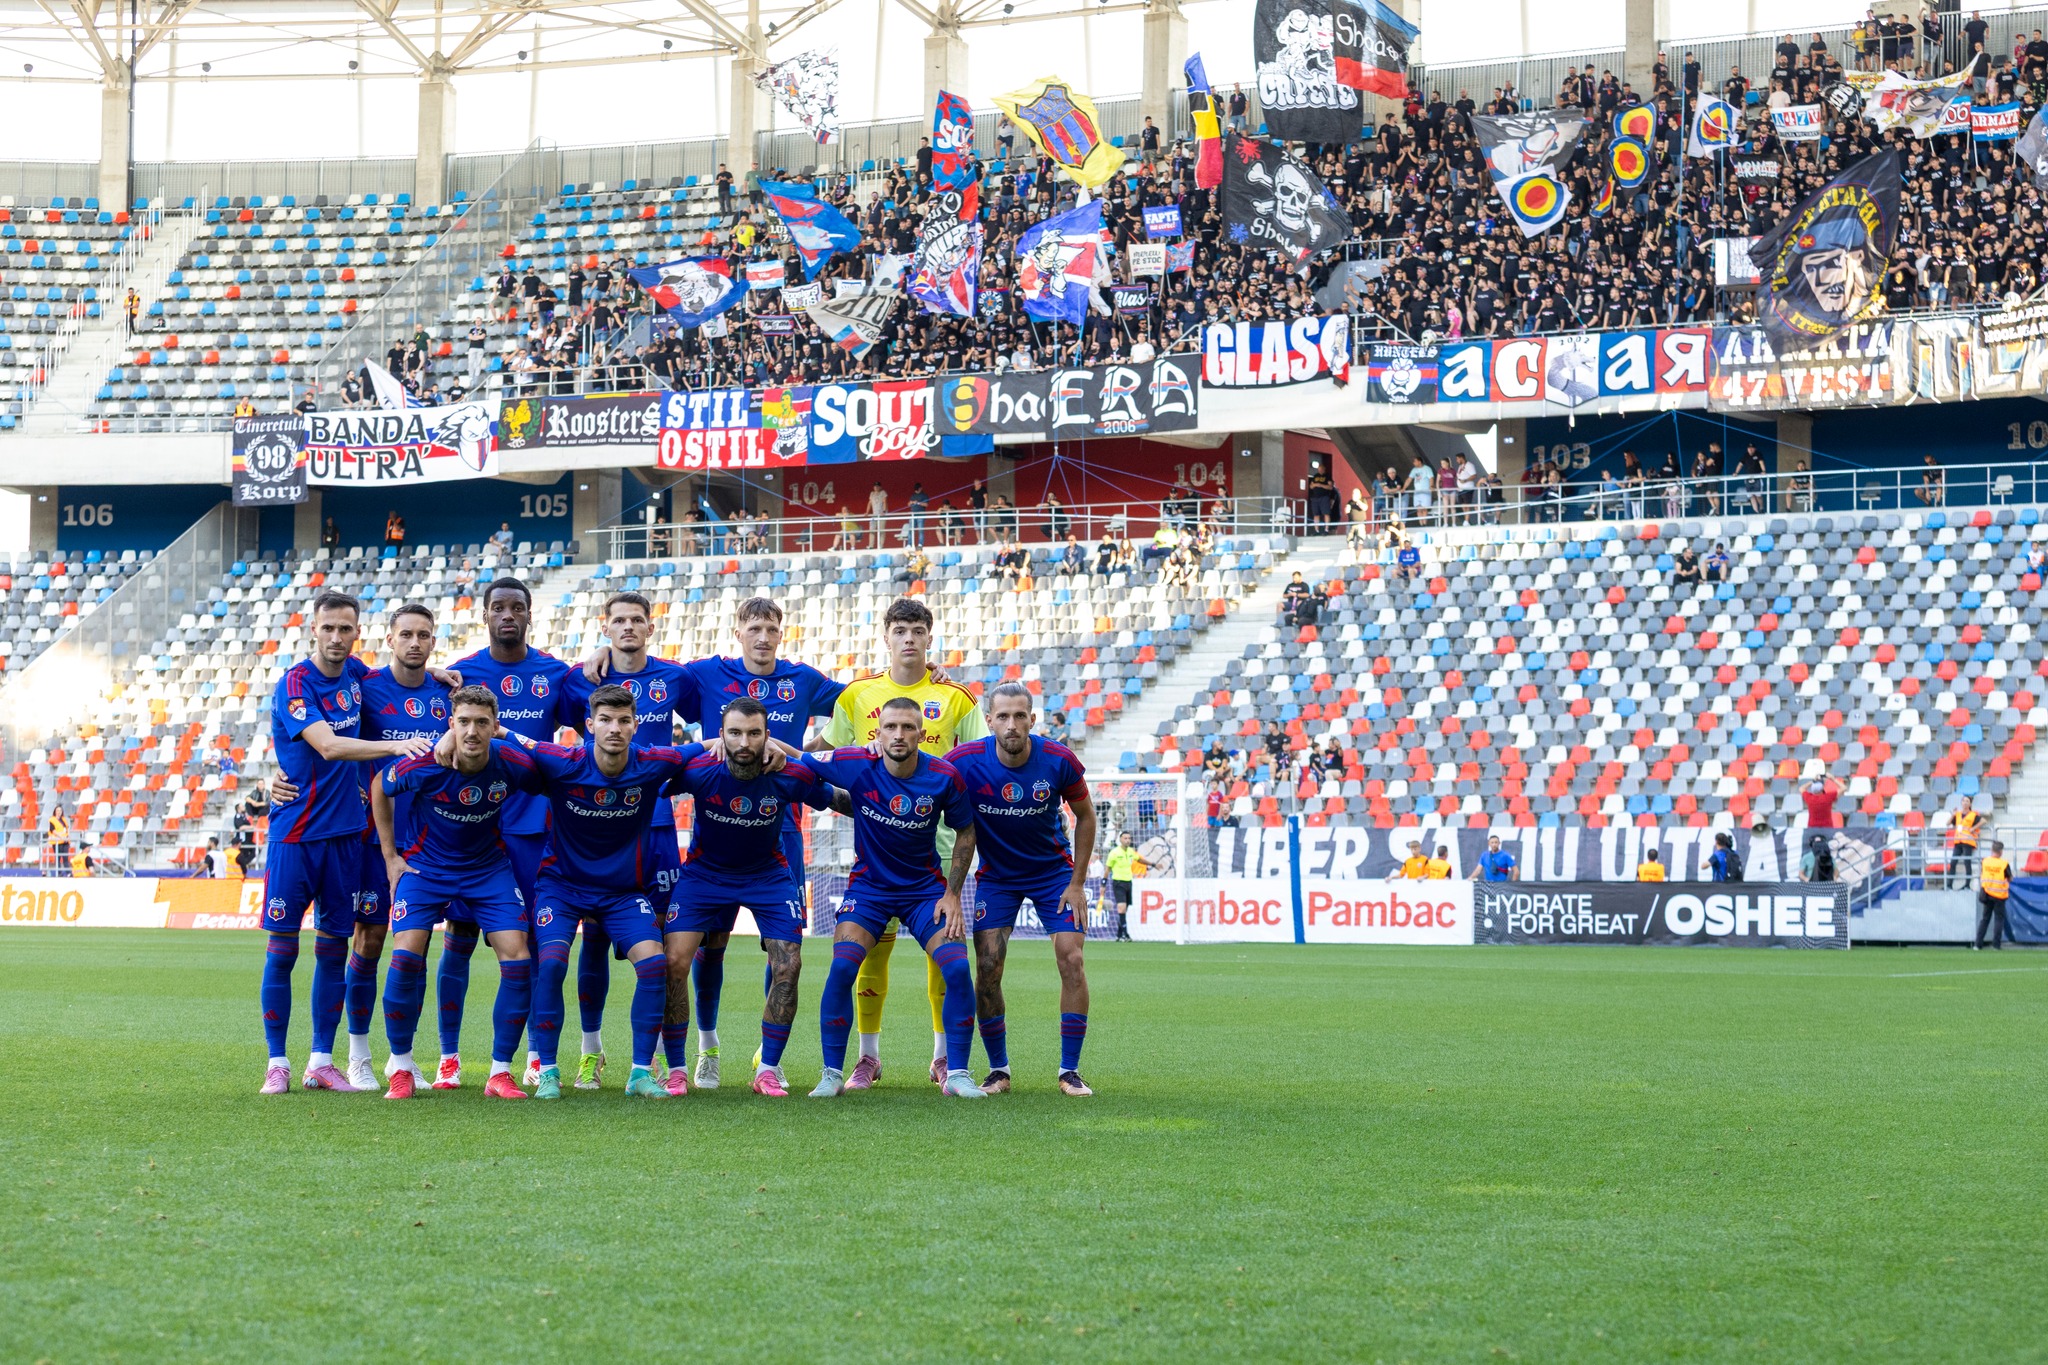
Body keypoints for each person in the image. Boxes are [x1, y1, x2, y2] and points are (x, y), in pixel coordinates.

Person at [255, 591, 435, 1096]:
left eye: (345, 629)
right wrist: (396, 746)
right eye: (328, 628)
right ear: (313, 629)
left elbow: (397, 673)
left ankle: (321, 1060)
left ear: (357, 633)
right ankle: (276, 1062)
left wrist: (439, 673)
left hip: (347, 838)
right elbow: (329, 746)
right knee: (282, 951)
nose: (336, 637)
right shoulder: (295, 683)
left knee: (334, 950)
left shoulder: (356, 674)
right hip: (296, 834)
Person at [666, 597, 845, 1085]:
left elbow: (858, 704)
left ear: (781, 634)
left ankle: (769, 1059)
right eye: (754, 628)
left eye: (771, 628)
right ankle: (707, 1047)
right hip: (716, 822)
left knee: (782, 949)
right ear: (738, 632)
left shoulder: (803, 679)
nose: (763, 637)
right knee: (709, 947)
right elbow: (648, 679)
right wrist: (604, 656)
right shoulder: (707, 674)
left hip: (781, 828)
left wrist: (803, 752)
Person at [486, 684, 696, 1098]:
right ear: (589, 725)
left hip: (622, 892)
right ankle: (548, 1071)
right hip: (562, 887)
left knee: (654, 963)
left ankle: (639, 1073)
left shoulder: (652, 762)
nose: (614, 728)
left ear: (636, 726)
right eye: (605, 720)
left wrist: (732, 744)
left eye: (623, 720)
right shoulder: (563, 761)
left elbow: (704, 748)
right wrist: (495, 731)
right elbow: (519, 743)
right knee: (551, 964)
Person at [812, 597, 988, 1087]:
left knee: (944, 957)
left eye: (917, 631)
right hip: (878, 844)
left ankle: (943, 1058)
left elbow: (979, 755)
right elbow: (826, 753)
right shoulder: (858, 694)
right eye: (900, 630)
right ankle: (867, 1057)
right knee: (871, 953)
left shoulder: (955, 697)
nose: (909, 638)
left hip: (941, 846)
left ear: (930, 637)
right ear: (886, 636)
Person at [550, 592, 693, 1090]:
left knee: (665, 945)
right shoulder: (580, 679)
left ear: (651, 627)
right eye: (619, 621)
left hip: (657, 825)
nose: (628, 627)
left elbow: (720, 709)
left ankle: (661, 1060)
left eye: (637, 620)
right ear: (604, 626)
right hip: (601, 824)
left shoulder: (677, 677)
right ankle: (590, 1052)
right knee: (592, 935)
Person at [372, 687, 537, 1100]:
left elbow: (556, 775)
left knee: (518, 957)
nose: (472, 731)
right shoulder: (425, 762)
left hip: (487, 869)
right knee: (405, 956)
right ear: (451, 724)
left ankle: (500, 1073)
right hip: (426, 869)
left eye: (482, 723)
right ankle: (401, 1067)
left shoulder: (511, 761)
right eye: (463, 722)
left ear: (495, 727)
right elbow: (379, 786)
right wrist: (390, 857)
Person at [945, 683, 1099, 1096]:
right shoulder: (964, 761)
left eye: (1019, 716)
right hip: (997, 877)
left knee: (1072, 959)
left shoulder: (1058, 760)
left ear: (1032, 719)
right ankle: (999, 1070)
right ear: (989, 720)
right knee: (987, 967)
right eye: (1002, 716)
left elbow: (1086, 816)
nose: (1011, 724)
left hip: (1053, 875)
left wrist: (1078, 883)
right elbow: (921, 776)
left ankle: (1069, 1071)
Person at [448, 578, 573, 1080]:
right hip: (472, 824)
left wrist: (599, 658)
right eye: (498, 607)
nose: (507, 615)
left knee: (538, 941)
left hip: (532, 828)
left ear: (528, 615)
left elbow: (591, 728)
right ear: (484, 616)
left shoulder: (555, 674)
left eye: (516, 607)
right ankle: (449, 1058)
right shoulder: (459, 674)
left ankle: (539, 1056)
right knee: (458, 935)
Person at [1974, 840, 2011, 950]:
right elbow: (2010, 877)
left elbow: (1982, 874)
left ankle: (1977, 944)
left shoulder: (1985, 861)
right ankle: (1996, 945)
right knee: (1999, 920)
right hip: (1999, 895)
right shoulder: (2004, 864)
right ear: (2001, 851)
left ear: (1991, 850)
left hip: (1987, 893)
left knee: (1985, 919)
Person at [1949, 795, 1984, 889]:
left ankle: (1967, 885)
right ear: (1961, 803)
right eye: (1963, 801)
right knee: (1953, 862)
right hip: (1958, 841)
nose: (1965, 803)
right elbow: (1948, 823)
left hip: (1968, 841)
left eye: (1967, 801)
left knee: (1967, 862)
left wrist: (1973, 828)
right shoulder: (1958, 814)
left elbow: (1983, 821)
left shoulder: (1973, 814)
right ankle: (1949, 884)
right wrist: (1952, 814)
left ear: (1970, 804)